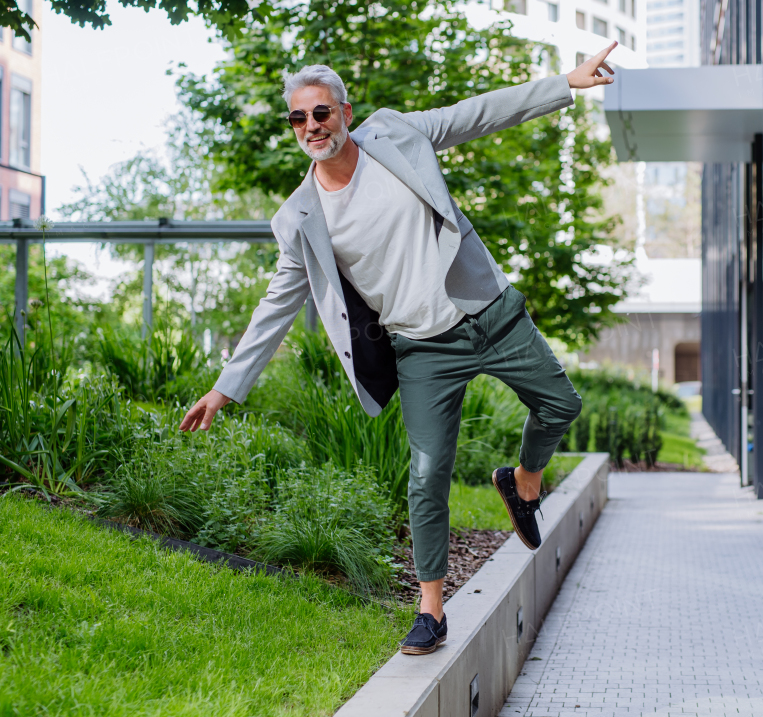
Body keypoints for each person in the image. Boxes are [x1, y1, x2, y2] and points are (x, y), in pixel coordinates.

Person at [180, 43, 618, 655]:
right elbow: (275, 306)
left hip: (485, 310)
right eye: (299, 118)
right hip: (421, 349)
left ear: (346, 112)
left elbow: (477, 113)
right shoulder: (300, 217)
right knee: (426, 472)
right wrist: (225, 389)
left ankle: (522, 482)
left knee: (561, 405)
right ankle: (432, 609)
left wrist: (564, 84)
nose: (311, 127)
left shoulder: (395, 136)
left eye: (322, 113)